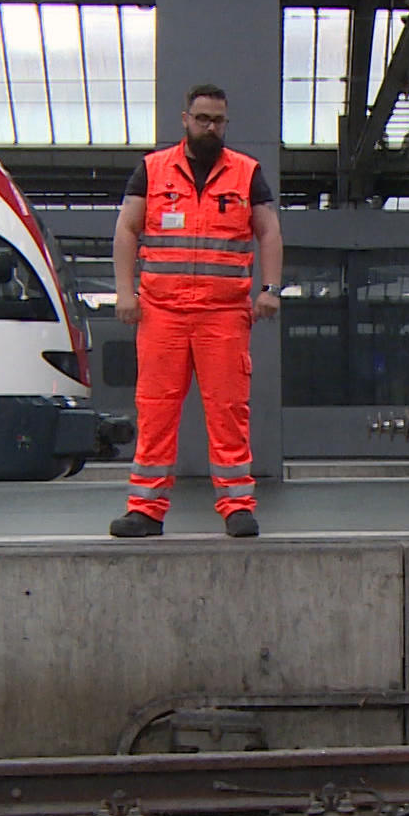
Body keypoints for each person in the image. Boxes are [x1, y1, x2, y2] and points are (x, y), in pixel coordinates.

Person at [109, 83, 284, 539]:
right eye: (203, 118)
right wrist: (124, 294)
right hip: (161, 313)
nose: (211, 127)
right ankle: (145, 510)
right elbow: (127, 229)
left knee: (228, 410)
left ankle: (237, 506)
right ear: (184, 119)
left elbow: (268, 232)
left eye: (219, 120)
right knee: (155, 410)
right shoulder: (153, 170)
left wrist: (270, 289)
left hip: (223, 314)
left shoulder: (247, 173)